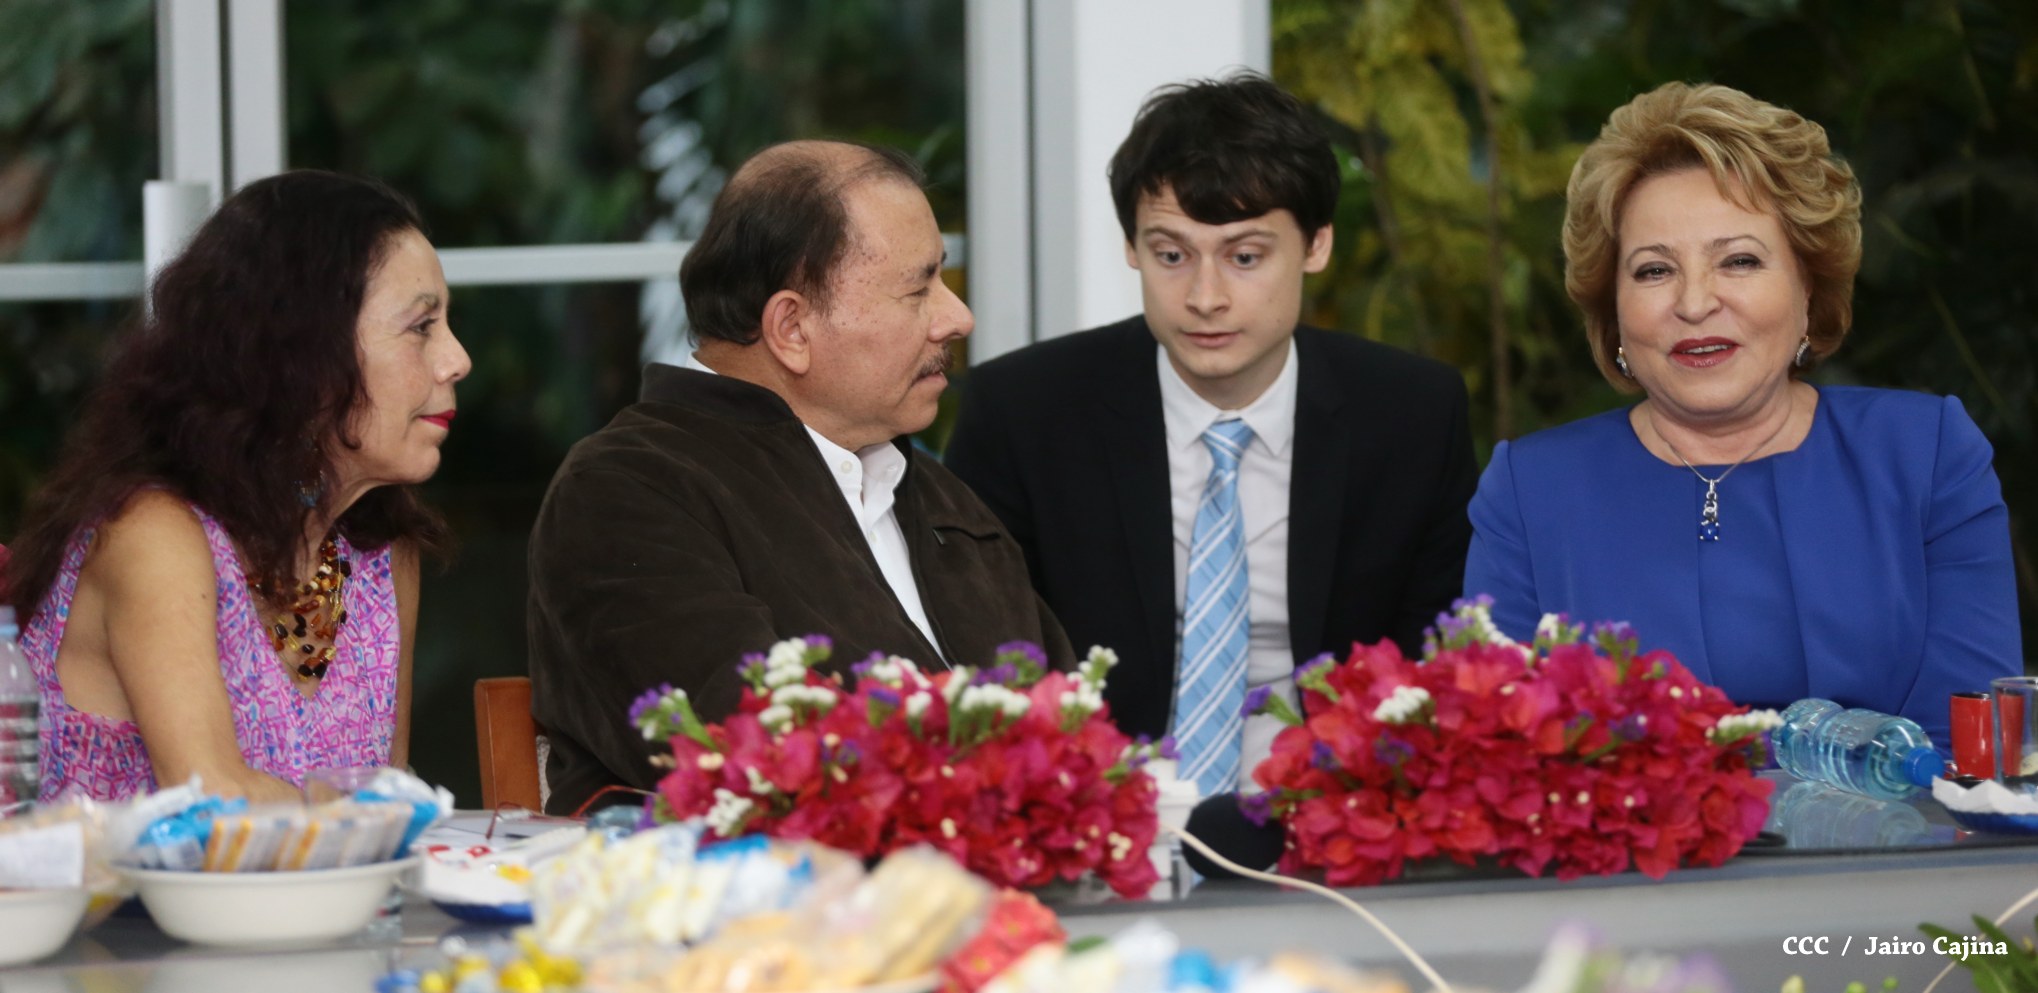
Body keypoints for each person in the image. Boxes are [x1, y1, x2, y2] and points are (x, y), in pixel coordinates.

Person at [944, 74, 1478, 798]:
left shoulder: (1412, 415)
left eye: (1244, 257)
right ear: (1131, 247)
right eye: (1172, 255)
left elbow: (1430, 665)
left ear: (1316, 245)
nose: (1204, 297)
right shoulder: (1026, 412)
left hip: (1329, 808)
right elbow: (988, 658)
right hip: (1097, 807)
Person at [527, 140, 1073, 815]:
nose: (957, 317)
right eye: (918, 288)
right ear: (791, 327)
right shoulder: (628, 491)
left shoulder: (936, 495)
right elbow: (763, 768)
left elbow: (1072, 735)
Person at [1463, 82, 2019, 743]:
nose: (1695, 303)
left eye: (1739, 260)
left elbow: (1970, 744)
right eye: (1653, 271)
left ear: (1808, 288)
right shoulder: (1530, 491)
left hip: (1903, 814)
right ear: (1613, 310)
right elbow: (1497, 753)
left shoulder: (1927, 454)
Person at [1, 171, 469, 802]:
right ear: (305, 356)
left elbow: (387, 797)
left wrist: (383, 812)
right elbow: (213, 800)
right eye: (421, 327)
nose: (457, 359)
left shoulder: (381, 558)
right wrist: (373, 811)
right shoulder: (151, 534)